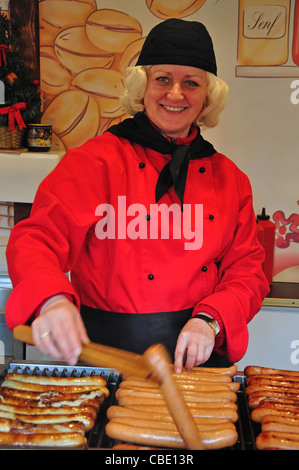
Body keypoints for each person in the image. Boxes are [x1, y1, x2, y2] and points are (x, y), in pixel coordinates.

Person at [5, 19, 269, 372]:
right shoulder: (93, 162)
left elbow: (247, 271)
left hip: (196, 363)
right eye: (163, 79)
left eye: (191, 83)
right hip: (104, 361)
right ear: (142, 86)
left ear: (208, 95)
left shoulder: (230, 180)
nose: (175, 94)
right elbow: (37, 238)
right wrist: (52, 300)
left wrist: (211, 320)